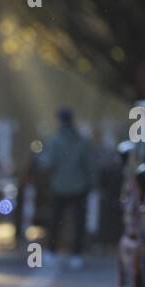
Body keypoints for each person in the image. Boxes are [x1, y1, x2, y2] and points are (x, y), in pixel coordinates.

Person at [40, 107, 95, 269]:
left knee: (56, 221)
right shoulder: (82, 141)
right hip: (80, 186)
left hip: (59, 186)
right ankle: (76, 255)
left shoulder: (55, 141)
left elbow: (48, 163)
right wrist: (92, 183)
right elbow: (90, 166)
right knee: (79, 223)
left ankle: (51, 252)